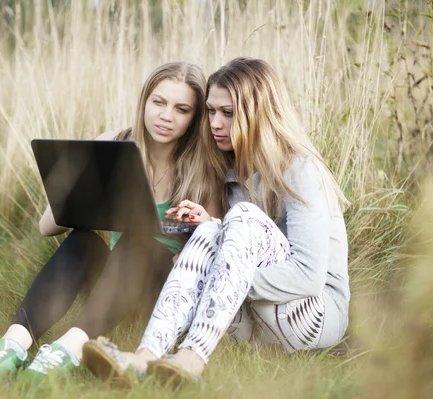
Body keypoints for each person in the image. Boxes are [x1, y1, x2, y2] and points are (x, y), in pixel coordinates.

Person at [81, 57, 351, 387]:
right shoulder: (232, 173)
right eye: (210, 111)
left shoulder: (299, 169)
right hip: (256, 322)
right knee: (210, 229)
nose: (214, 123)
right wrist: (206, 231)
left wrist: (215, 274)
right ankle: (146, 357)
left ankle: (191, 360)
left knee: (241, 217)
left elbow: (308, 276)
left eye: (228, 112)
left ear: (258, 113)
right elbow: (235, 252)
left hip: (314, 318)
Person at [0, 61, 222, 380]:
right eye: (158, 102)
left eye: (181, 109)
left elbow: (216, 250)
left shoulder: (204, 170)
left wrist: (202, 225)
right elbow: (46, 227)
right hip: (110, 290)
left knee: (137, 240)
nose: (166, 115)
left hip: (162, 299)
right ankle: (12, 345)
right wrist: (81, 176)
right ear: (144, 101)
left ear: (194, 118)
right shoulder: (115, 143)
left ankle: (69, 349)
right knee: (83, 240)